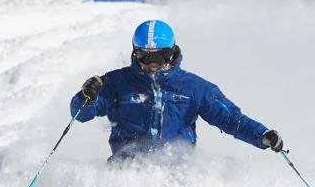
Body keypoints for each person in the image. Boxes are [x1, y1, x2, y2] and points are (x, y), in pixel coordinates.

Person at [71, 20, 284, 161]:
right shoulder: (117, 82)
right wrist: (87, 96)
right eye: (145, 55)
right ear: (135, 53)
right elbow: (80, 114)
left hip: (176, 172)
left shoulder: (194, 87)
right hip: (127, 170)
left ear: (171, 52)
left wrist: (262, 135)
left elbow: (230, 119)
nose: (152, 63)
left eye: (160, 56)